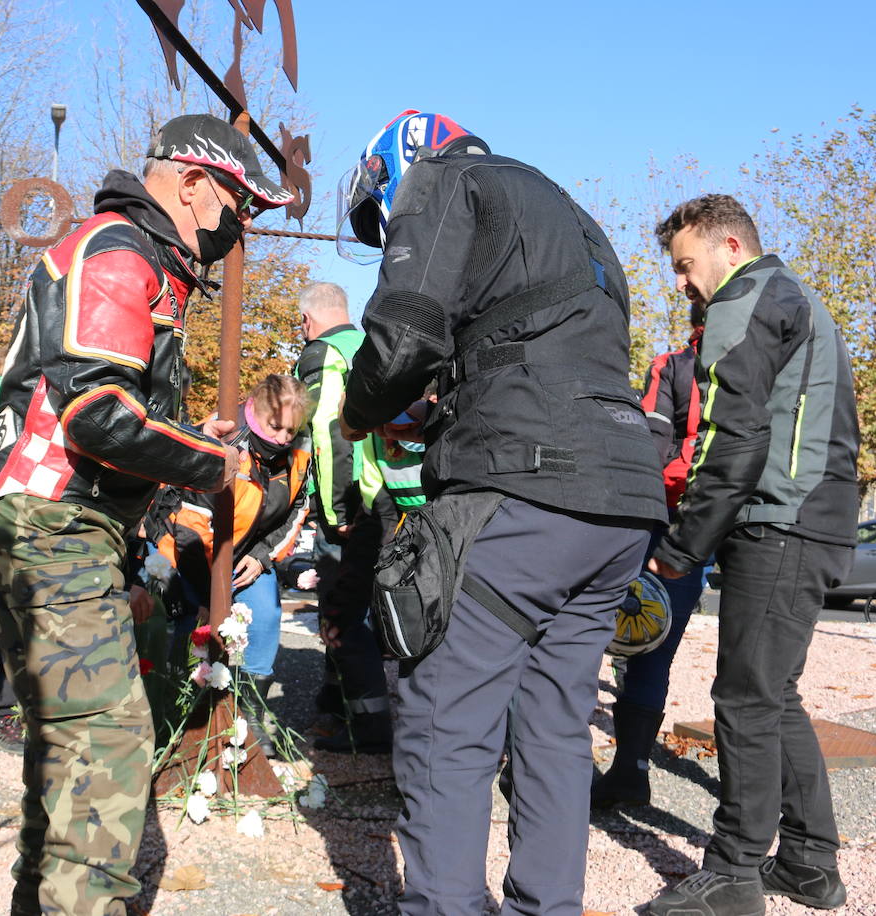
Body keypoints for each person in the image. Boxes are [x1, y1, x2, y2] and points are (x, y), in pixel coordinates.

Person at [337, 111, 666, 915]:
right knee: (553, 731)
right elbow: (532, 347)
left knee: (447, 726)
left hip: (524, 490)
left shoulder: (443, 180)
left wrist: (360, 409)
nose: (386, 228)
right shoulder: (569, 214)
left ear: (397, 166)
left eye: (381, 216)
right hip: (619, 496)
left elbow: (404, 329)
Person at [0, 112, 291, 914]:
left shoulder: (132, 253)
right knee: (107, 746)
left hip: (52, 518)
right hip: (53, 517)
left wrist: (183, 439)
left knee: (67, 745)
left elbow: (114, 406)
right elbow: (97, 415)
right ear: (191, 183)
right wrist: (218, 461)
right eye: (239, 205)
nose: (240, 226)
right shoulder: (121, 250)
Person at [643, 195, 858, 916]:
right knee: (774, 696)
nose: (682, 283)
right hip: (819, 520)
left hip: (781, 523)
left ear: (729, 247)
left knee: (742, 700)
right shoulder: (796, 297)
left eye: (685, 265)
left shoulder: (744, 300)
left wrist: (683, 546)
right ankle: (808, 865)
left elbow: (729, 441)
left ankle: (733, 873)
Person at [150, 373, 312, 755]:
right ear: (253, 410)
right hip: (185, 549)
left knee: (266, 616)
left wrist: (263, 556)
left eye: (292, 429)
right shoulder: (222, 441)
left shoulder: (300, 451)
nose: (285, 438)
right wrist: (211, 593)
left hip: (247, 553)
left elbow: (299, 508)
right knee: (195, 629)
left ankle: (248, 716)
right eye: (276, 427)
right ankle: (179, 717)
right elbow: (189, 527)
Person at [592, 303, 709, 809]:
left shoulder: (674, 366)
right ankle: (633, 768)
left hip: (673, 518)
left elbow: (649, 446)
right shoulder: (763, 363)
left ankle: (628, 772)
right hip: (732, 518)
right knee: (668, 647)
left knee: (641, 636)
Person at [295, 281, 393, 753]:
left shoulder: (321, 354)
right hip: (387, 496)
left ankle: (369, 728)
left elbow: (328, 433)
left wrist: (333, 512)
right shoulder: (368, 345)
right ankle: (335, 708)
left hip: (350, 503)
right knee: (365, 609)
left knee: (341, 614)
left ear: (308, 322)